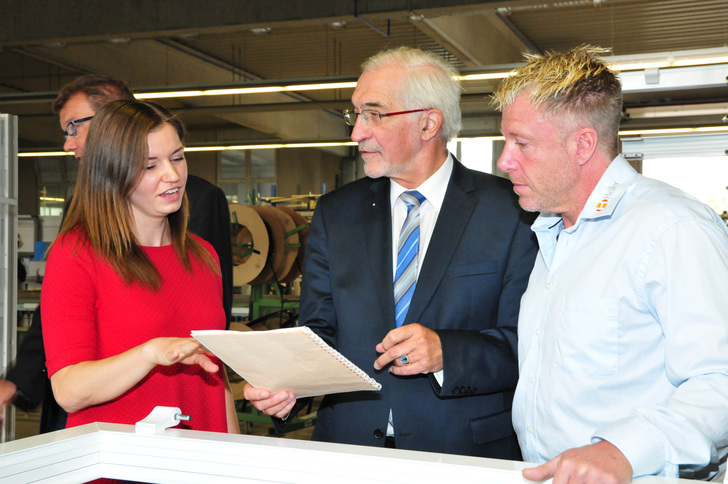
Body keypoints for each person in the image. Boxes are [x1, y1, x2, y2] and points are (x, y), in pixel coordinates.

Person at [244, 46, 538, 458]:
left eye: (374, 114)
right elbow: (319, 331)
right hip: (348, 448)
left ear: (428, 123)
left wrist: (447, 353)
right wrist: (289, 385)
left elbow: (530, 343)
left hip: (462, 453)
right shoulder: (337, 213)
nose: (356, 133)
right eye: (356, 114)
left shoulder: (512, 212)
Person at [492, 45, 728, 482]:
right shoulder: (551, 234)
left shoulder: (670, 229)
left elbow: (720, 380)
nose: (505, 161)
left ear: (583, 144)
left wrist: (623, 450)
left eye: (522, 143)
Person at [1, 75, 233, 433]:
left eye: (177, 158)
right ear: (113, 172)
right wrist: (148, 354)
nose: (172, 175)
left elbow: (217, 381)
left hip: (201, 463)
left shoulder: (204, 257)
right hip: (121, 463)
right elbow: (68, 391)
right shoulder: (79, 253)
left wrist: (235, 460)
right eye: (151, 165)